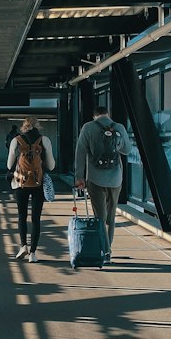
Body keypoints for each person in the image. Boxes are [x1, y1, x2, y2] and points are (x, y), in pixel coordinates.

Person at [74, 103, 130, 261]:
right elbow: (128, 150)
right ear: (108, 114)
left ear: (94, 116)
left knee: (99, 217)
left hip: (95, 179)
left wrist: (79, 177)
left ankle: (105, 251)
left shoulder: (88, 127)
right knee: (110, 217)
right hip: (115, 179)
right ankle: (108, 249)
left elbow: (80, 152)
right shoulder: (118, 127)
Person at [7, 115, 55, 262]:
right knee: (36, 218)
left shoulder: (16, 140)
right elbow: (52, 166)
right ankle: (33, 254)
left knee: (22, 216)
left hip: (20, 183)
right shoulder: (44, 140)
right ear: (37, 125)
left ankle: (23, 246)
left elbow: (9, 165)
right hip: (38, 183)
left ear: (24, 126)